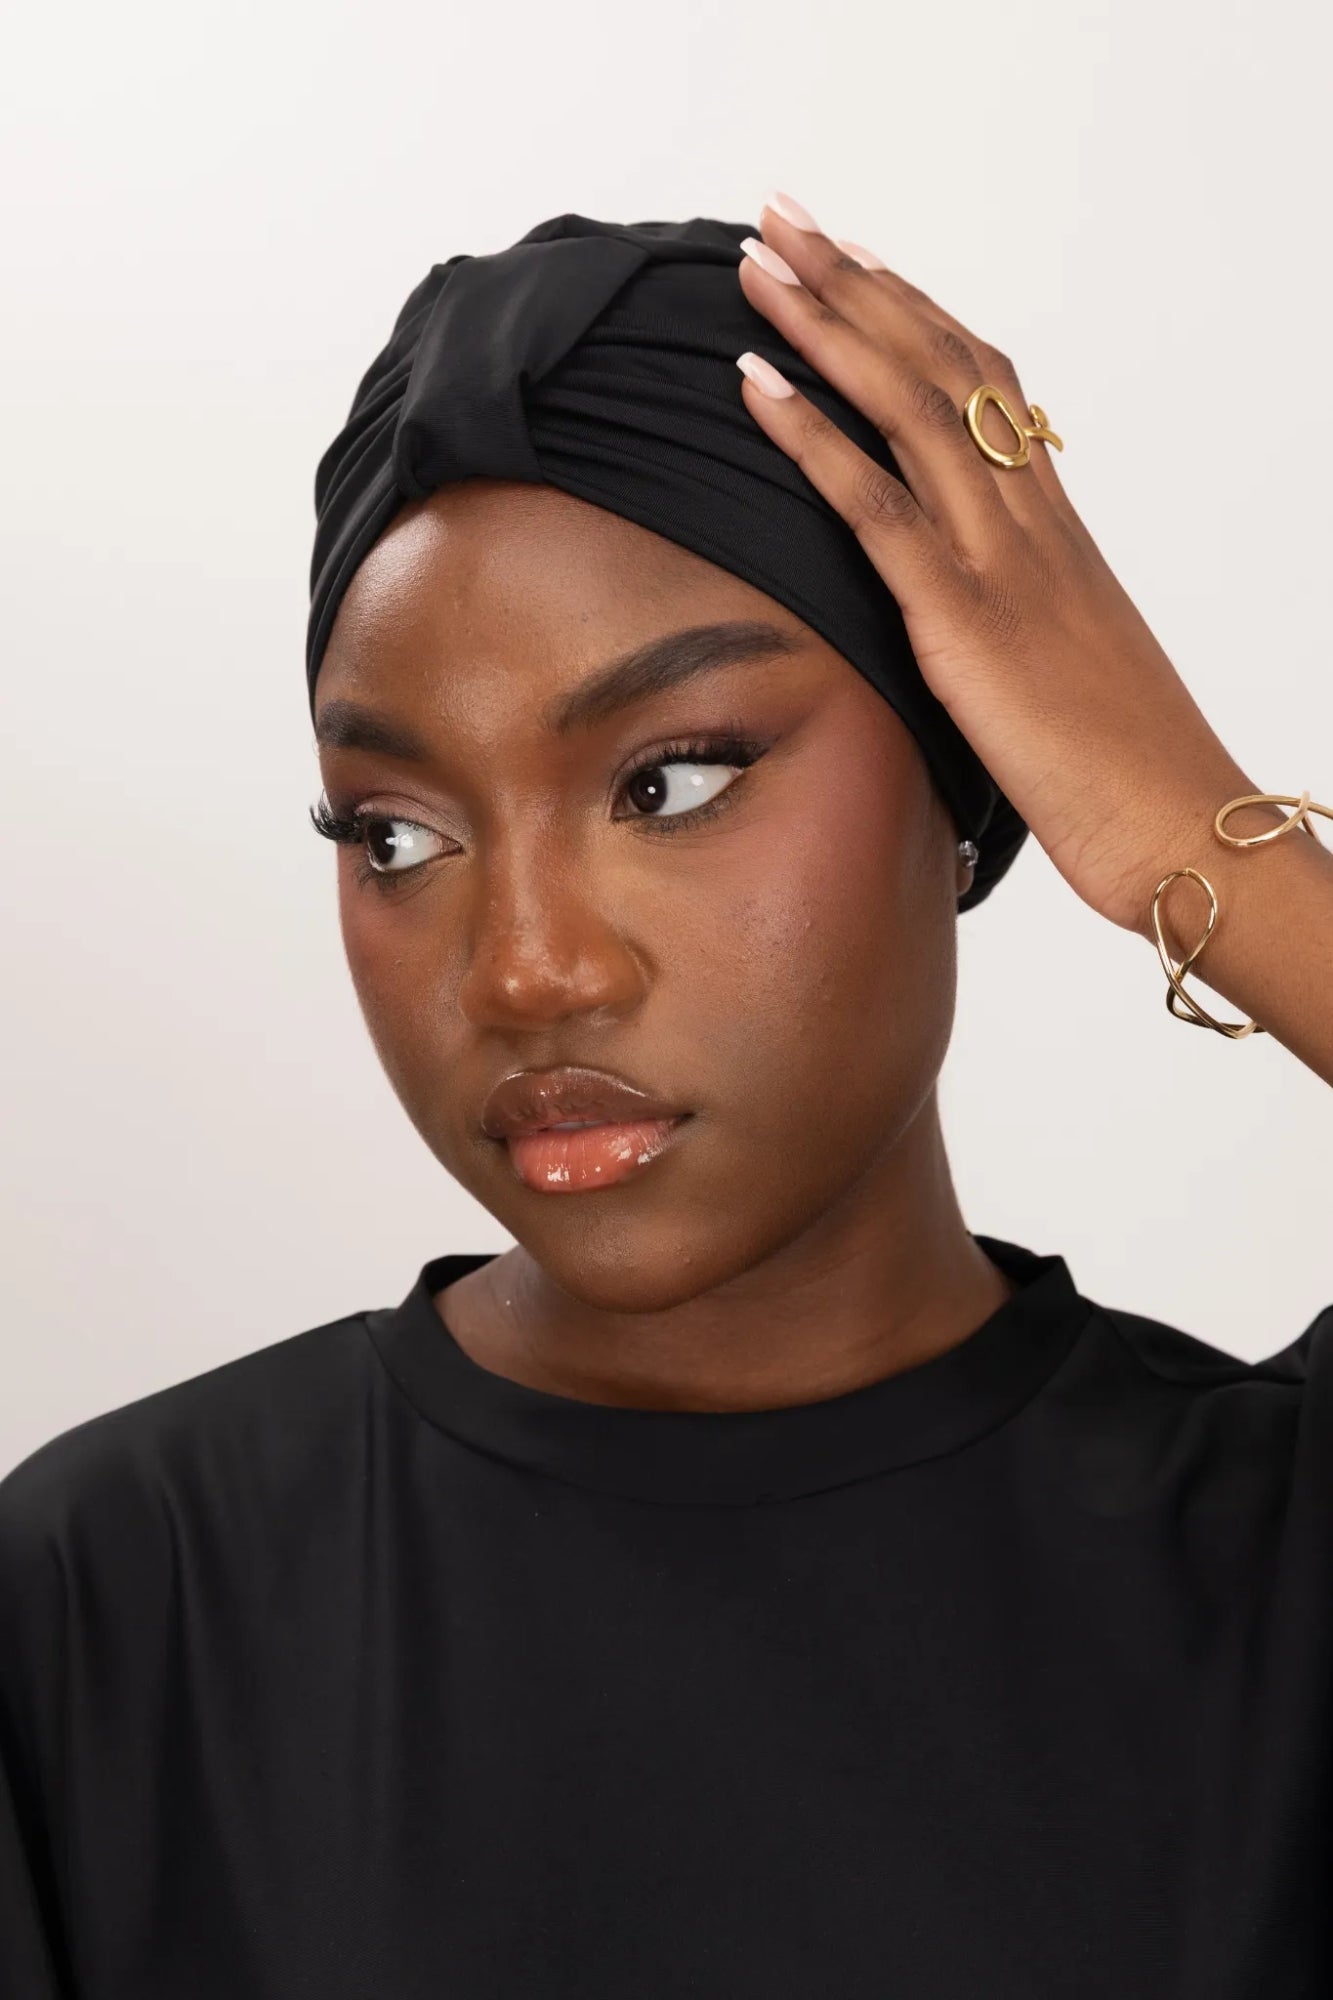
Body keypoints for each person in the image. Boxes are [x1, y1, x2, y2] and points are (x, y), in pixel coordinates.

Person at [2, 194, 1330, 1999]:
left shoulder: (1277, 1555)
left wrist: (1186, 828)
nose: (524, 970)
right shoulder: (114, 1598)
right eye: (395, 834)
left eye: (672, 783)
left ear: (973, 771)